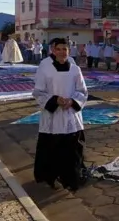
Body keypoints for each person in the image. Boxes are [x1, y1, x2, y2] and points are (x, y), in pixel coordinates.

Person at [31, 37, 90, 191]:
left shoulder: (75, 69)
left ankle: (72, 179)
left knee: (72, 151)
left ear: (68, 51)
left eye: (65, 49)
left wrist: (72, 101)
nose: (62, 52)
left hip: (71, 115)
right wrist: (55, 100)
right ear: (53, 50)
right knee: (52, 150)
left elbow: (82, 91)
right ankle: (50, 178)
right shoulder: (45, 68)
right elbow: (38, 92)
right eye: (59, 49)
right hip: (53, 117)